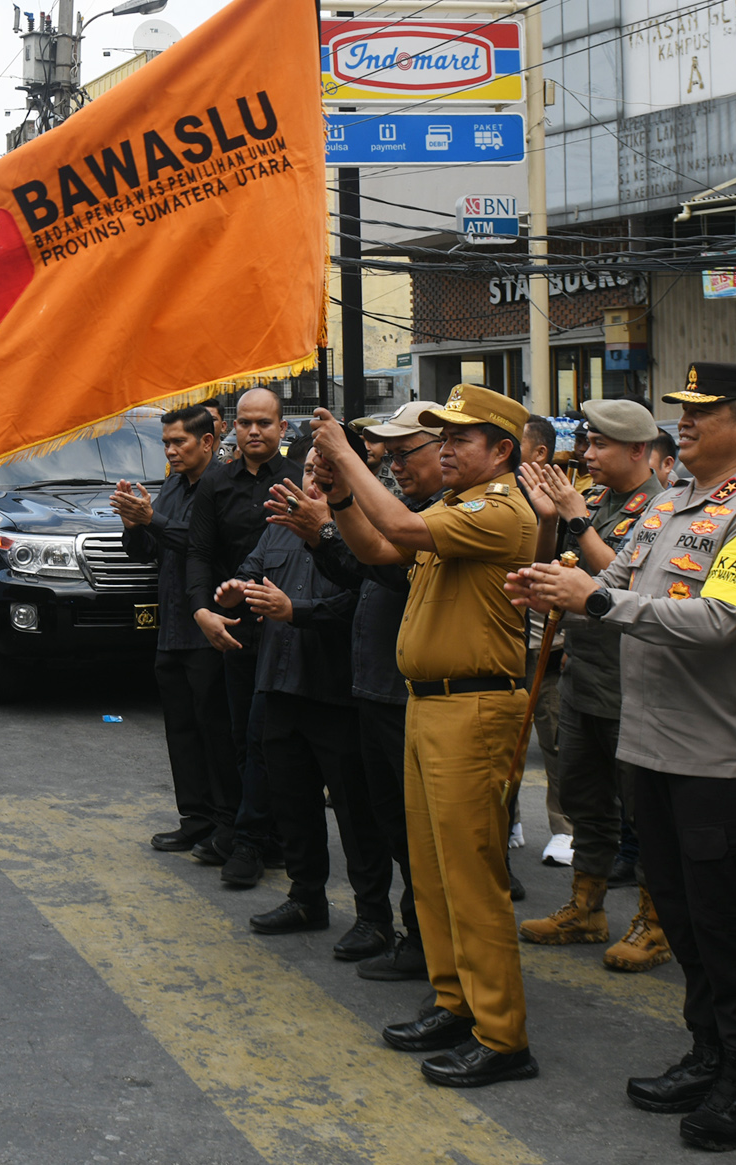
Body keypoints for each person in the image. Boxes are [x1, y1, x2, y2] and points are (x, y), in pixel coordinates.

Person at [511, 361, 736, 1151]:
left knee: (730, 927)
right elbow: (622, 577)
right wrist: (561, 572)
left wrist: (596, 601)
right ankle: (707, 1052)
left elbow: (719, 620)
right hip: (652, 748)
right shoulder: (670, 503)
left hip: (720, 760)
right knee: (682, 917)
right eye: (684, 409)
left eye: (701, 411)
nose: (685, 421)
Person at [309, 385, 539, 1089]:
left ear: (501, 451)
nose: (444, 447)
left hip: (474, 707)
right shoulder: (451, 506)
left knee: (472, 880)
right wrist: (343, 499)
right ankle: (454, 1001)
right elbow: (379, 544)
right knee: (434, 873)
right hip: (431, 705)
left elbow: (401, 535)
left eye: (459, 437)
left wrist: (347, 458)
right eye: (441, 435)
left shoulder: (501, 509)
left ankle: (502, 1035)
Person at [269, 401, 449, 982]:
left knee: (423, 838)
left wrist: (333, 513)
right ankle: (409, 935)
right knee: (391, 827)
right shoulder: (408, 510)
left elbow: (390, 563)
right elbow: (363, 571)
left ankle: (433, 949)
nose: (394, 465)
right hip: (373, 688)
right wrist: (322, 535)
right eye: (387, 455)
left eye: (403, 454)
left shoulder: (442, 517)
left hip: (415, 697)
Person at [515, 398, 674, 973]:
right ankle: (587, 907)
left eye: (599, 445)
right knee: (584, 796)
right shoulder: (596, 500)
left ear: (639, 451)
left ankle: (656, 924)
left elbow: (624, 583)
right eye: (586, 443)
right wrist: (552, 521)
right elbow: (548, 565)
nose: (587, 455)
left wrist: (577, 518)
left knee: (644, 811)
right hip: (584, 673)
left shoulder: (663, 508)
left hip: (634, 682)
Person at [216, 450, 391, 959]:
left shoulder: (364, 529)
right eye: (310, 469)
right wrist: (233, 590)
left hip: (337, 691)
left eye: (325, 471)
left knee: (356, 814)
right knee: (292, 802)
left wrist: (299, 612)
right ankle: (306, 895)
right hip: (279, 684)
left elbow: (362, 597)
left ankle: (374, 915)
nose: (313, 478)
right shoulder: (281, 525)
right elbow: (250, 571)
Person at [186, 387, 295, 887]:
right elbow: (199, 553)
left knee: (274, 737)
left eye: (265, 423)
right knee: (237, 734)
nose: (254, 431)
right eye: (246, 422)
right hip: (233, 629)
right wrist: (202, 611)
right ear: (233, 426)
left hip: (291, 625)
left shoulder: (299, 482)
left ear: (282, 428)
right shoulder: (215, 483)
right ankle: (248, 831)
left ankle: (263, 838)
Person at [115, 404, 235, 857]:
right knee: (181, 729)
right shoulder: (170, 487)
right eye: (165, 443)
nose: (170, 451)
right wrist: (134, 525)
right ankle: (196, 818)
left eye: (178, 442)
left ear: (207, 442)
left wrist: (153, 521)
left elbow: (204, 544)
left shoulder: (222, 487)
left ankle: (228, 823)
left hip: (208, 627)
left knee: (215, 730)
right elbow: (148, 551)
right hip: (172, 627)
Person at [518, 414, 577, 868]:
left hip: (546, 645)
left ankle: (563, 827)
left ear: (539, 452)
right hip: (501, 640)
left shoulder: (564, 501)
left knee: (553, 738)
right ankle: (509, 816)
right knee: (502, 739)